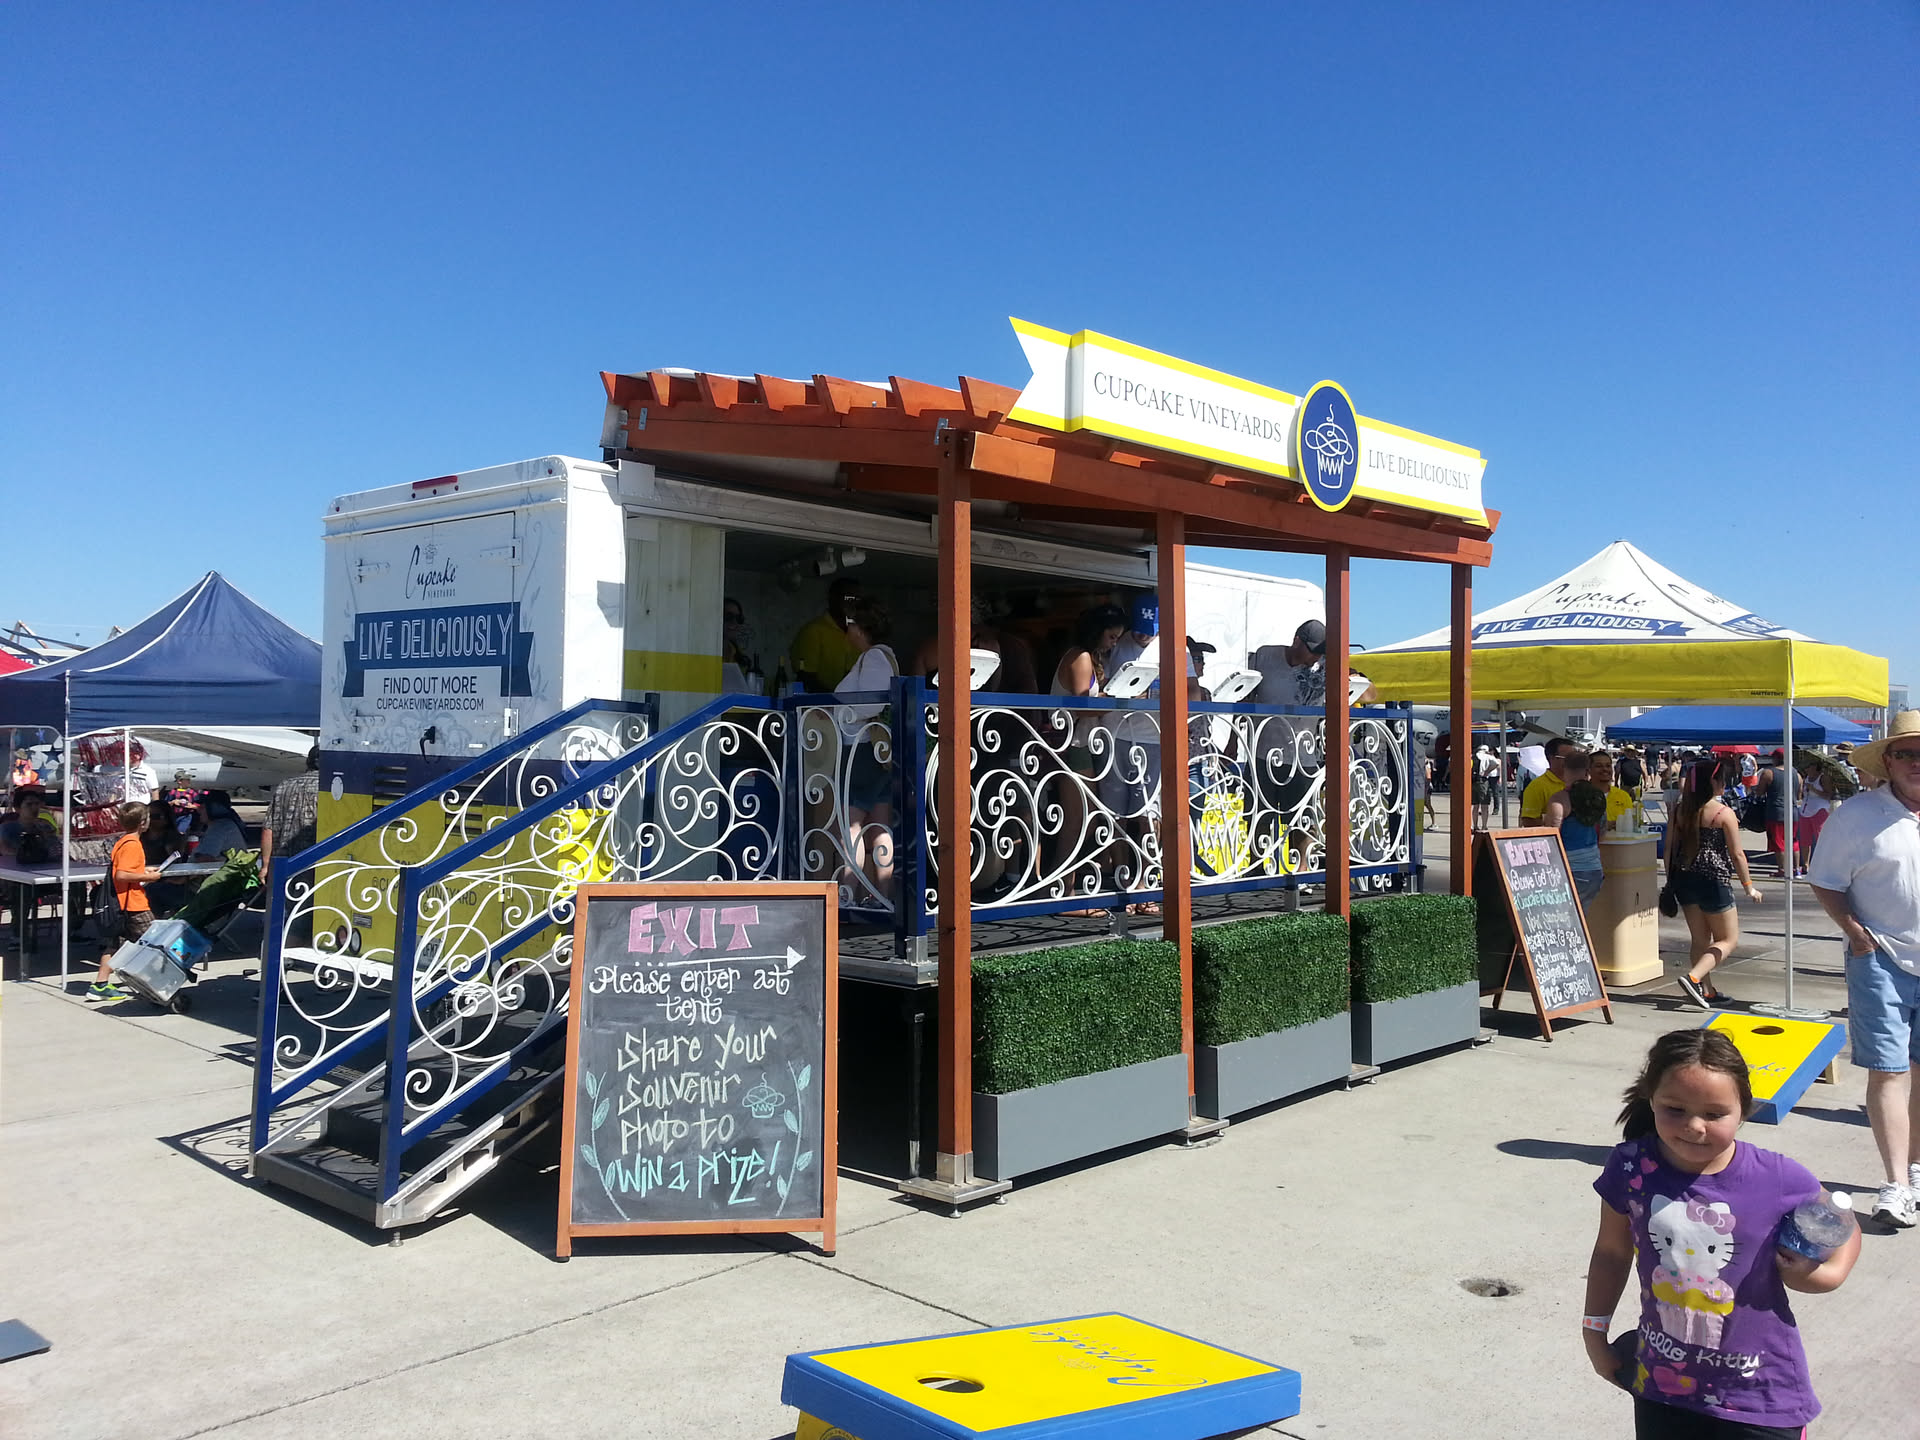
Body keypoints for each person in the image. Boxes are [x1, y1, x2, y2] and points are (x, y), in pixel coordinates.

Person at [1583, 1029, 1858, 1436]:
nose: (1694, 1126)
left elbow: (1844, 1220)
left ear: (1743, 1110)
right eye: (1675, 1109)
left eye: (1714, 1114)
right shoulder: (1630, 1167)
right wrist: (1594, 1334)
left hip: (1760, 1395)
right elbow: (1611, 1253)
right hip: (1662, 1386)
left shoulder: (1777, 1177)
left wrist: (1826, 1275)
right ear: (1650, 1098)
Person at [1808, 710, 1920, 1229]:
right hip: (1881, 957)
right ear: (1888, 762)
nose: (1916, 763)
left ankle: (1916, 1169)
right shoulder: (1856, 816)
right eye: (1906, 753)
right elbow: (1825, 880)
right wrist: (1856, 934)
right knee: (1889, 1070)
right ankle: (1895, 1184)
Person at [1666, 757, 1762, 1010]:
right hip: (1714, 880)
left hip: (1684, 878)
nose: (1725, 784)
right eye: (1722, 780)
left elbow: (1669, 850)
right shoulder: (1723, 813)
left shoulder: (1680, 811)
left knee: (1699, 939)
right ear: (1713, 783)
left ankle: (1705, 991)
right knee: (1728, 939)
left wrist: (1670, 879)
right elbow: (1737, 854)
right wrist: (1749, 886)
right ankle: (1694, 978)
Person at [833, 597, 899, 900]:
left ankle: (848, 895)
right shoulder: (881, 657)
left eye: (849, 624)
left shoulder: (873, 658)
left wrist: (837, 712)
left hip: (861, 751)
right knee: (879, 828)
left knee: (851, 829)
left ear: (859, 628)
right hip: (876, 752)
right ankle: (884, 896)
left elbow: (872, 703)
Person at [95, 802, 166, 1001]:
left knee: (116, 944)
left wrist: (143, 871)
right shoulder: (133, 844)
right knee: (155, 942)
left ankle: (100, 984)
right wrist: (148, 877)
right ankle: (158, 983)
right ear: (143, 823)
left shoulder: (123, 841)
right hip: (133, 903)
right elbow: (121, 875)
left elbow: (125, 869)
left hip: (122, 903)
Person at [1544, 749, 1607, 907]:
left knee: (1564, 915)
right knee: (1581, 915)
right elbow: (1603, 830)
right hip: (1594, 867)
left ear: (1564, 769)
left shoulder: (1560, 799)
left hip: (1568, 868)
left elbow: (1551, 836)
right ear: (1587, 771)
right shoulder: (1598, 796)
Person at [790, 577, 861, 693]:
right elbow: (806, 679)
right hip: (822, 702)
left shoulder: (860, 634)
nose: (854, 603)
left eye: (858, 599)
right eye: (849, 598)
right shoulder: (813, 631)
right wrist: (835, 699)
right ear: (832, 598)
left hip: (856, 702)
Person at [0, 783, 61, 865]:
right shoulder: (7, 828)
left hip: (44, 866)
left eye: (37, 804)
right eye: (29, 804)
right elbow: (4, 849)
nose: (34, 807)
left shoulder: (45, 825)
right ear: (17, 808)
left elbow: (55, 846)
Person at [1520, 737, 1569, 824]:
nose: (1573, 761)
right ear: (1552, 758)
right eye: (1567, 758)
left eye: (1575, 758)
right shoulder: (1536, 787)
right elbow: (1529, 820)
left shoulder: (1578, 783)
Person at [1588, 750, 1635, 829]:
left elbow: (1631, 824)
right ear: (1588, 770)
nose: (1605, 769)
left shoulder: (1623, 796)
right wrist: (1602, 826)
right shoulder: (1581, 795)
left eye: (1608, 766)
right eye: (1599, 766)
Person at [196, 790, 248, 859]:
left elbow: (205, 858)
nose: (198, 810)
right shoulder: (226, 825)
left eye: (202, 808)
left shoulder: (219, 828)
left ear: (215, 808)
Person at [1471, 744, 1499, 830]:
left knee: (1475, 806)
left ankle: (1475, 826)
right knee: (1484, 805)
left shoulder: (1472, 756)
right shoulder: (1487, 756)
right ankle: (1484, 826)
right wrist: (1487, 771)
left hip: (1473, 781)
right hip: (1483, 781)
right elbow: (1496, 763)